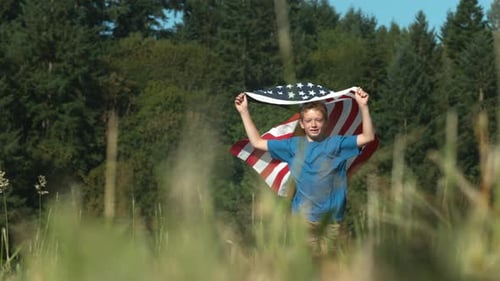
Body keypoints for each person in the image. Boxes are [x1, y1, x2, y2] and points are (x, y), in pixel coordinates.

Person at [234, 87, 375, 257]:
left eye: (318, 120)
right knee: (310, 266)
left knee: (329, 267)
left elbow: (368, 137)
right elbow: (257, 142)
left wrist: (363, 106)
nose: (313, 124)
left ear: (325, 122)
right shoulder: (293, 146)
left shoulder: (337, 144)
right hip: (303, 220)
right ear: (302, 123)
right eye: (308, 121)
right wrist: (244, 111)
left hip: (332, 222)